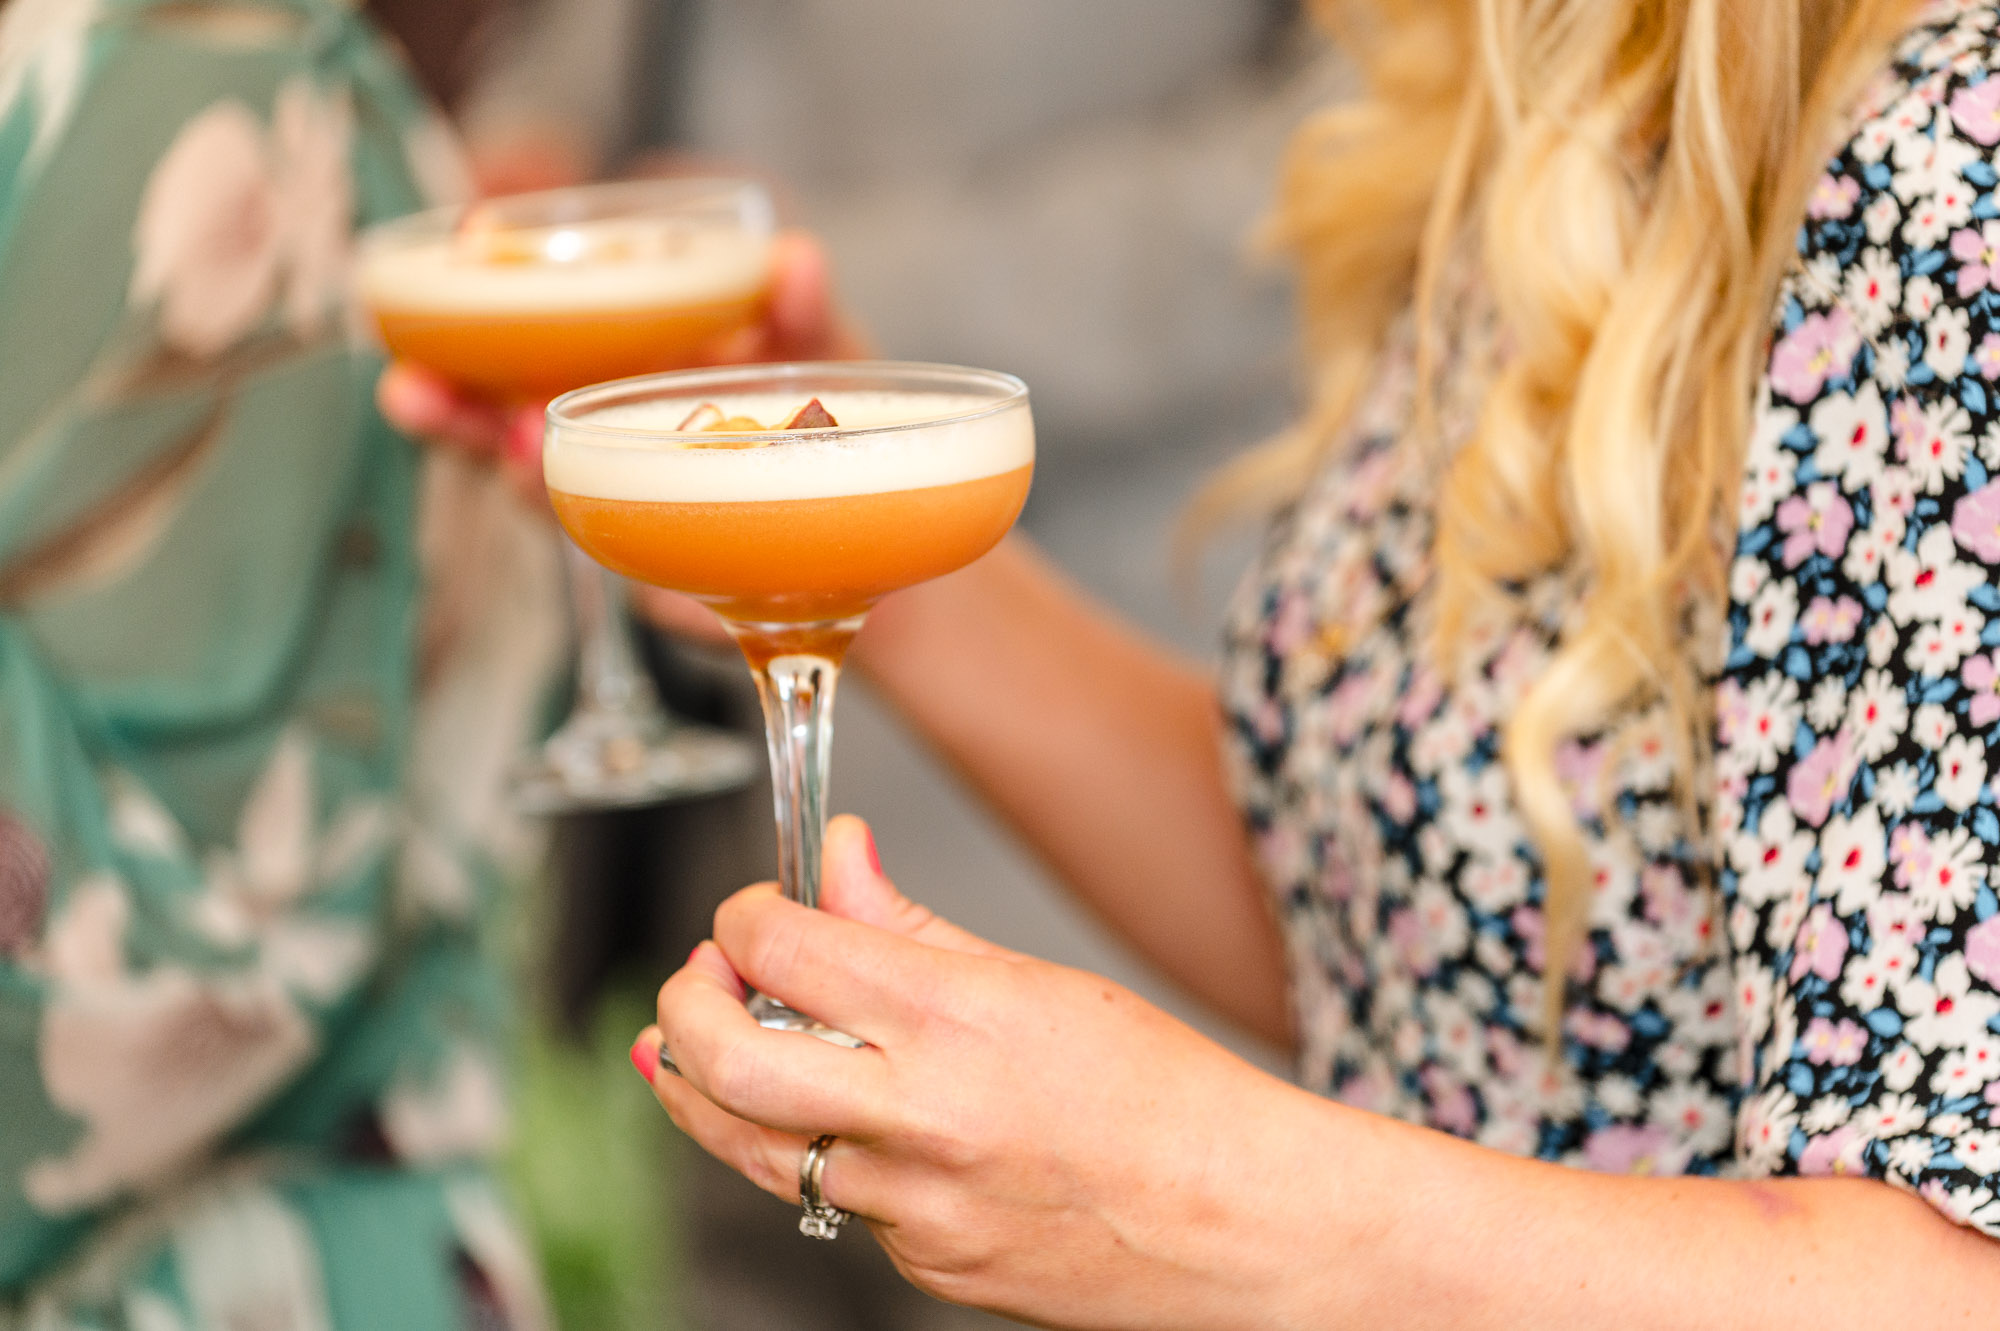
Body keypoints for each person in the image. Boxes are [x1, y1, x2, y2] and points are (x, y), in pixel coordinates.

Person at [608, 0, 2000, 1324]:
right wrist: (874, 562)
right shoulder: (1560, 113)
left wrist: (1186, 1194)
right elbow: (1411, 929)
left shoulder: (1954, 160)